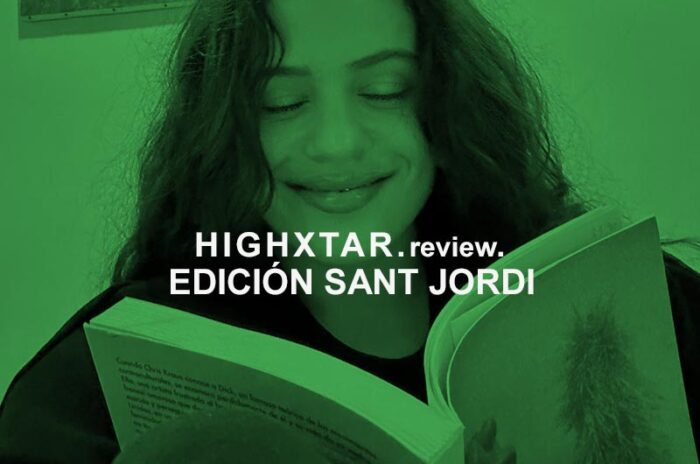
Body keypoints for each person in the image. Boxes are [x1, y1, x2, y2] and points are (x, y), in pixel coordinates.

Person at [1, 0, 697, 462]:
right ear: (224, 132)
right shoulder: (110, 367)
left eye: (385, 90)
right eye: (282, 101)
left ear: (446, 111)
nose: (335, 142)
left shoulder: (616, 297)